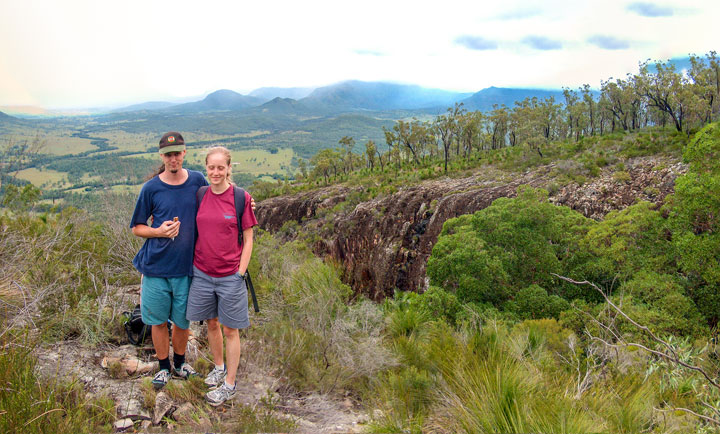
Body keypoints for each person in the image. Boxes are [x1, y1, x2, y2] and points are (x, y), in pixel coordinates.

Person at [130, 132, 207, 389]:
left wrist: (245, 206)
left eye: (177, 153)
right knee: (157, 320)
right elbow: (137, 227)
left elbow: (217, 202)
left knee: (183, 321)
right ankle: (164, 368)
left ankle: (181, 364)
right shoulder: (151, 188)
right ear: (161, 156)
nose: (173, 158)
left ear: (184, 153)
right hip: (155, 267)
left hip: (186, 267)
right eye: (168, 154)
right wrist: (158, 231)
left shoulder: (197, 180)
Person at [186, 146, 258, 406]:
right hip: (203, 272)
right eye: (211, 167)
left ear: (229, 168)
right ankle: (218, 367)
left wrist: (239, 272)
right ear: (206, 168)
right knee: (212, 324)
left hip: (230, 275)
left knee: (231, 329)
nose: (215, 172)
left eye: (220, 167)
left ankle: (230, 383)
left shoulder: (240, 198)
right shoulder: (200, 195)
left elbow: (248, 239)